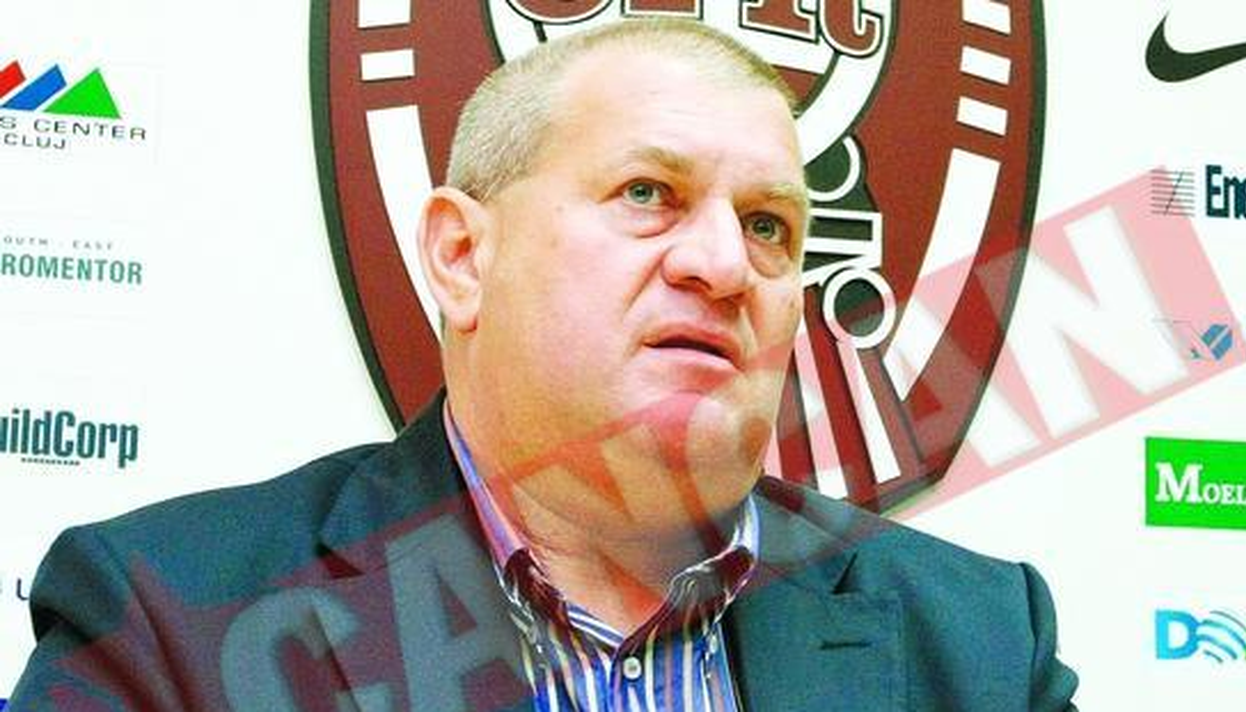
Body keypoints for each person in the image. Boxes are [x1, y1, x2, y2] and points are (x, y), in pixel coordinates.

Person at [9, 18, 1078, 712]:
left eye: (768, 225)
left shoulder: (980, 643)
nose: (722, 265)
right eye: (648, 194)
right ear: (462, 256)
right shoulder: (171, 624)